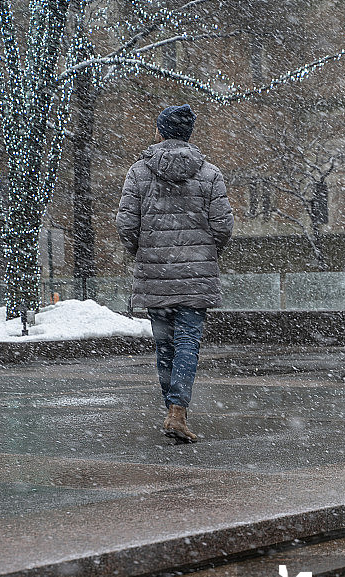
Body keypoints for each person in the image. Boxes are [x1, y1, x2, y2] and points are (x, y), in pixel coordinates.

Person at [116, 104, 234, 442]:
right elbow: (223, 225)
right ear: (188, 133)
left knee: (164, 345)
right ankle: (177, 412)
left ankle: (172, 410)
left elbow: (126, 223)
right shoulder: (210, 174)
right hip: (197, 273)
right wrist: (206, 252)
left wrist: (142, 252)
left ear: (160, 130)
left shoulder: (138, 173)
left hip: (155, 273)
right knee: (187, 344)